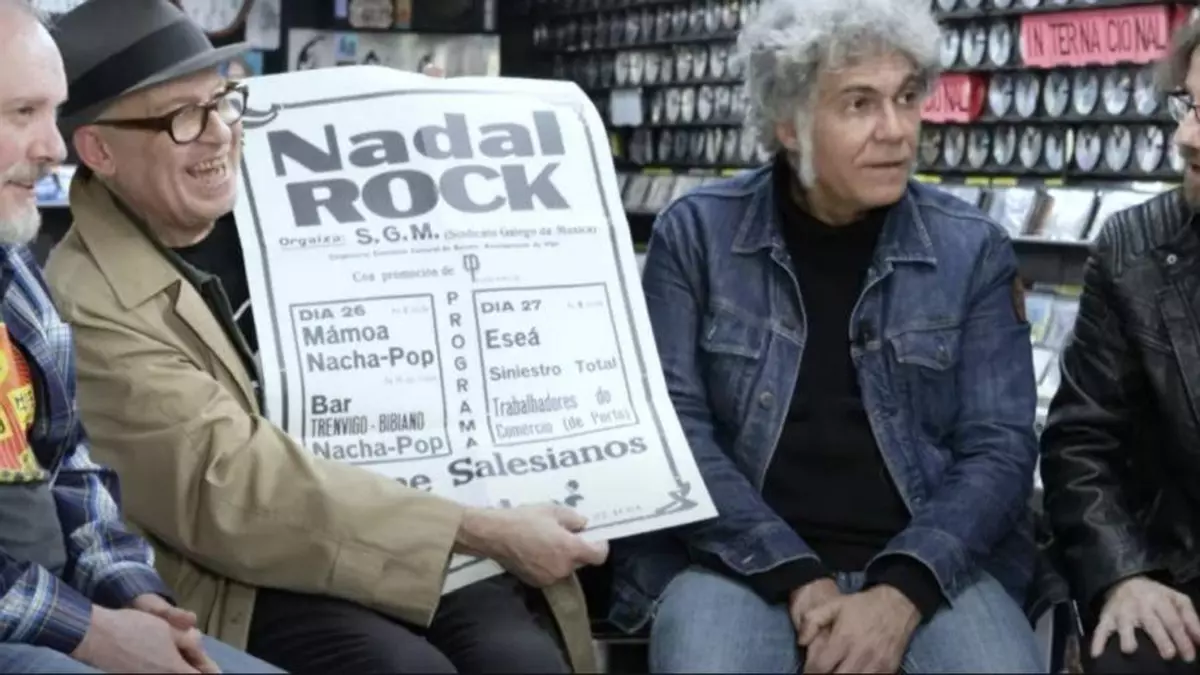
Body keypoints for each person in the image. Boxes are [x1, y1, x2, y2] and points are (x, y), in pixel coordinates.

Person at [42, 1, 605, 673]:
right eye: (181, 118)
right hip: (253, 573)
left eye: (222, 101)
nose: (218, 134)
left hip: (415, 527)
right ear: (99, 150)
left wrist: (436, 129)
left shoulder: (291, 188)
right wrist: (475, 528)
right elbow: (230, 485)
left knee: (522, 661)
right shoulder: (84, 298)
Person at [607, 0, 1048, 672]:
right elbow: (676, 431)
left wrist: (901, 591)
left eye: (907, 98)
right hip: (736, 558)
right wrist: (794, 572)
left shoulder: (973, 247)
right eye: (859, 104)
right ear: (789, 123)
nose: (896, 130)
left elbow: (1000, 448)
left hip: (930, 562)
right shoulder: (696, 234)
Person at [0, 2, 282, 674]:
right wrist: (94, 630)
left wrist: (132, 592)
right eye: (22, 113)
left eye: (53, 112)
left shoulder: (15, 273)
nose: (54, 147)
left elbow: (68, 461)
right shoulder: (77, 282)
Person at [1039, 20, 1200, 675]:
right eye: (1190, 105)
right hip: (1179, 569)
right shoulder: (1134, 249)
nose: (1186, 137)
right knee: (1132, 653)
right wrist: (1123, 573)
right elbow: (1081, 444)